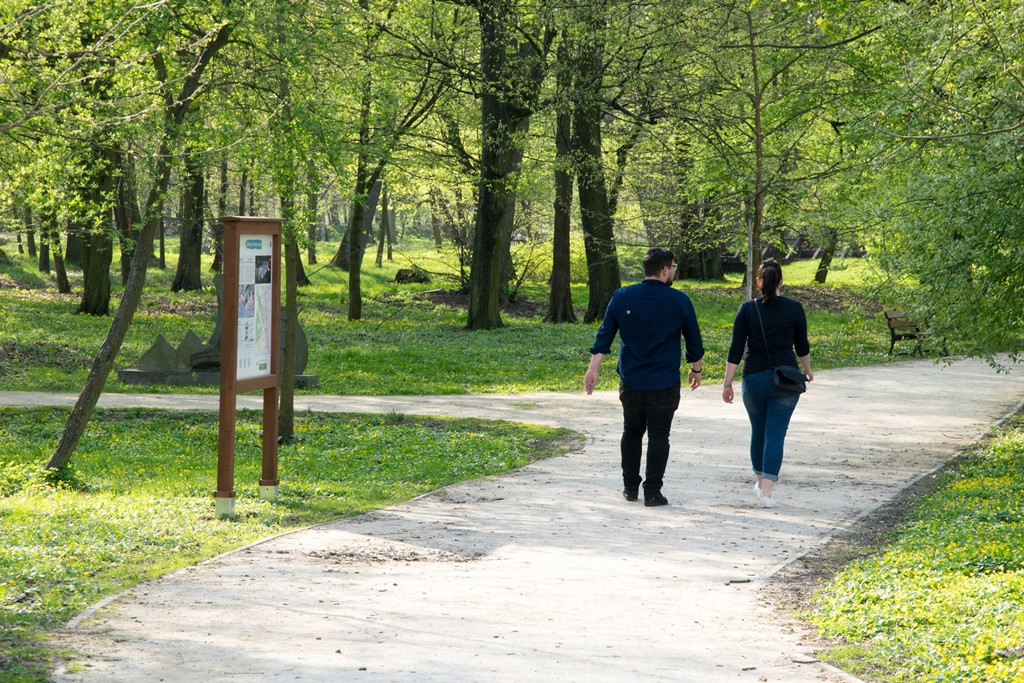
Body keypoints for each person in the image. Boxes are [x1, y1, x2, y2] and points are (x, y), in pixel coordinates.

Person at [584, 247, 705, 507]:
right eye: (673, 267)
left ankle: (630, 488)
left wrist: (593, 369)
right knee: (660, 436)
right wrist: (696, 369)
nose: (673, 271)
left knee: (631, 431)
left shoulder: (622, 296)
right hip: (664, 381)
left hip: (631, 380)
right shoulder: (680, 300)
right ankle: (652, 492)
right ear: (665, 270)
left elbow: (605, 335)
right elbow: (694, 341)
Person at [721, 259, 813, 508]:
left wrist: (727, 383)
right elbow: (801, 346)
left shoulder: (747, 309)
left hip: (753, 380)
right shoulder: (794, 309)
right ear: (781, 281)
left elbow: (735, 350)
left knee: (758, 432)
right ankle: (766, 495)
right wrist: (807, 370)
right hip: (785, 380)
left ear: (759, 281)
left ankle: (760, 483)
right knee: (775, 435)